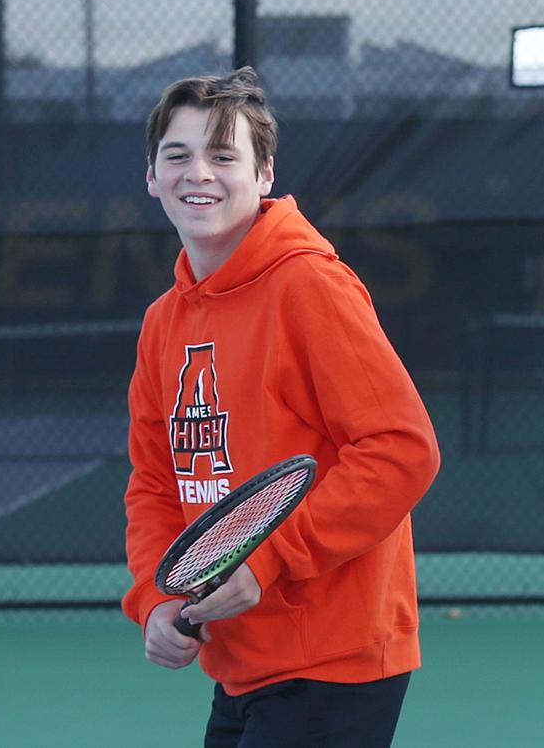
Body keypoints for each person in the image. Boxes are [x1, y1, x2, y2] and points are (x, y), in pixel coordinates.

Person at [122, 67, 440, 748]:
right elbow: (154, 482)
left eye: (223, 155)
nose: (197, 172)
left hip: (333, 660)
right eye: (177, 155)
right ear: (151, 175)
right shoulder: (162, 323)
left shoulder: (309, 285)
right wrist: (156, 596)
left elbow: (402, 447)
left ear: (264, 174)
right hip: (240, 664)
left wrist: (268, 562)